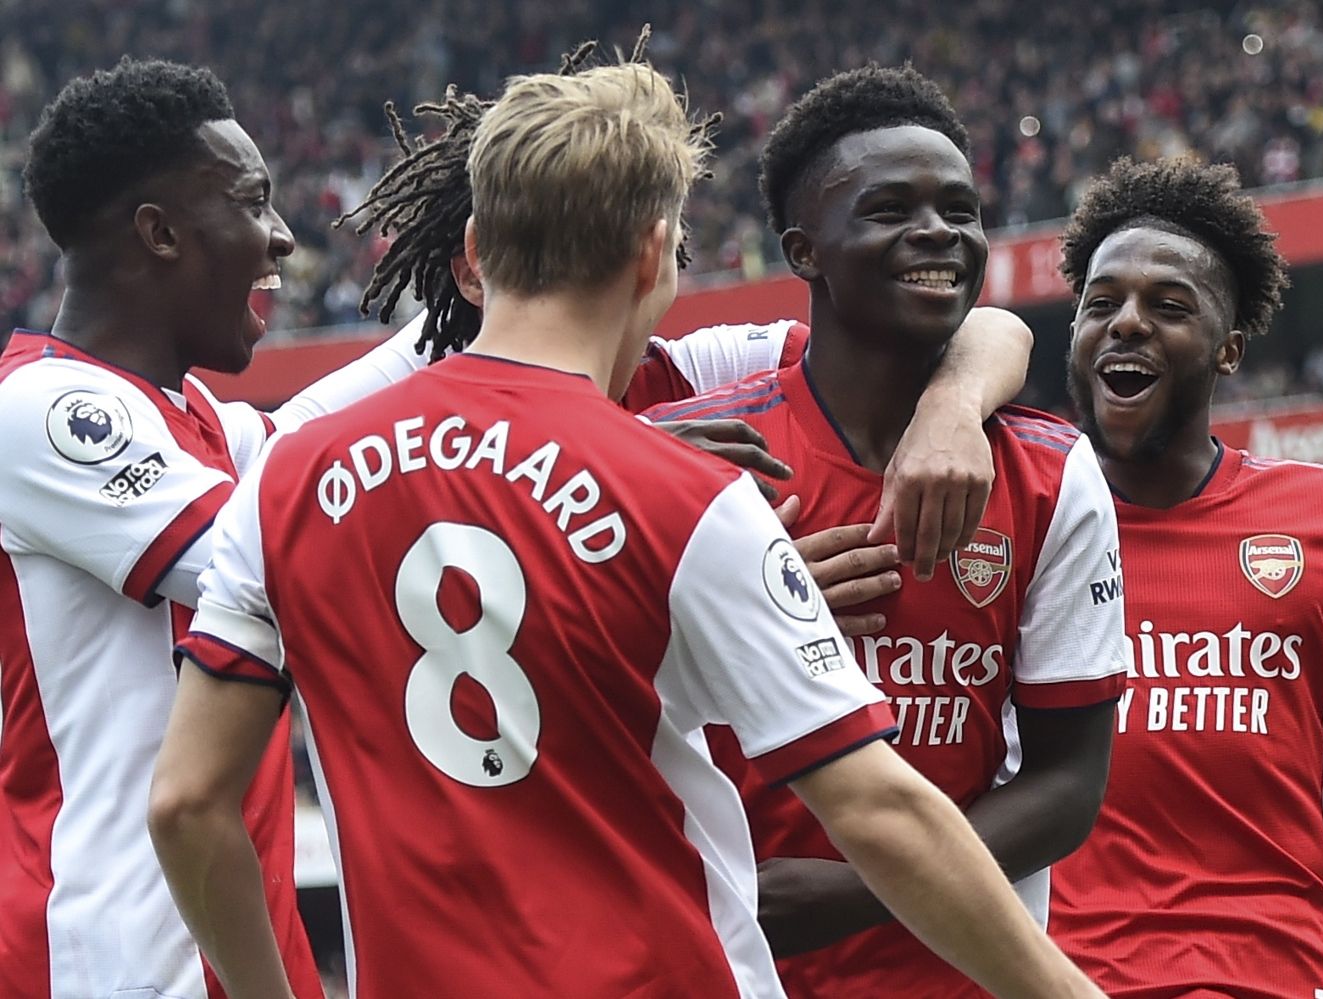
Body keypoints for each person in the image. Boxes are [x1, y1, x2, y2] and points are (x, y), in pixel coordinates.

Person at [148, 61, 1105, 999]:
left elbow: (187, 804)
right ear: (655, 254)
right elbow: (879, 809)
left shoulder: (286, 477)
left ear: (475, 248)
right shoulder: (691, 494)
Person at [642, 65, 1128, 998]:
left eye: (960, 209)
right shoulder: (694, 448)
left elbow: (1069, 786)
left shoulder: (1051, 471)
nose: (939, 230)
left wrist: (859, 891)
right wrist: (749, 614)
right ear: (804, 250)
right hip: (723, 968)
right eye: (890, 209)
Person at [0, 57, 433, 998]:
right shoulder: (41, 411)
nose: (282, 236)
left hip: (230, 952)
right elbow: (272, 558)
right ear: (159, 233)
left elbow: (329, 425)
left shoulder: (189, 417)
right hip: (112, 967)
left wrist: (479, 288)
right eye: (252, 200)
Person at [341, 33, 1038, 583]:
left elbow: (985, 329)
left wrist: (950, 407)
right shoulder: (381, 401)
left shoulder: (691, 372)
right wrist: (649, 499)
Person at [1046, 156, 1323, 999]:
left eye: (1169, 305)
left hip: (1287, 982)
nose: (1127, 322)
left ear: (1229, 349)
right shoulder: (1020, 523)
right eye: (1100, 304)